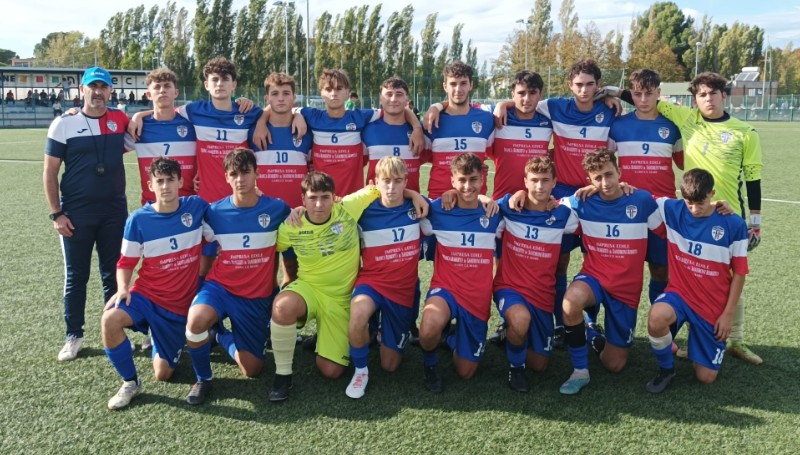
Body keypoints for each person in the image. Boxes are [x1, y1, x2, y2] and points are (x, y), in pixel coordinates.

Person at [601, 71, 764, 365]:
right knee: (692, 273)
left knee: (727, 275)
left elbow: (753, 177)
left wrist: (755, 222)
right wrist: (609, 91)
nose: (708, 99)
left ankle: (736, 339)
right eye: (702, 95)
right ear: (695, 99)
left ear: (723, 96)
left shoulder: (745, 132)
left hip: (726, 210)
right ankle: (686, 334)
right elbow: (645, 99)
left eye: (713, 94)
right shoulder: (687, 119)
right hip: (692, 209)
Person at [267, 171, 427, 402]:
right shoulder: (292, 225)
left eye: (325, 197)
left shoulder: (349, 207)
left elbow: (381, 188)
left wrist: (414, 195)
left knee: (332, 371)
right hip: (309, 289)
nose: (319, 204)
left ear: (335, 197)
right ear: (303, 199)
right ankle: (282, 375)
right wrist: (286, 278)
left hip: (340, 301)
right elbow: (272, 248)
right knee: (282, 306)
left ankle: (325, 337)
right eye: (312, 198)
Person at [184, 148, 290, 405]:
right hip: (220, 288)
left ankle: (220, 335)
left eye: (245, 172)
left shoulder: (277, 209)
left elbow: (292, 244)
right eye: (234, 174)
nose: (240, 179)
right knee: (195, 321)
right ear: (226, 178)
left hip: (256, 298)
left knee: (252, 369)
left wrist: (287, 281)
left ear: (257, 174)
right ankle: (203, 378)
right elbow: (201, 246)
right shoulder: (214, 212)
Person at [101, 158, 208, 409]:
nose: (165, 186)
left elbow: (227, 210)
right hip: (147, 296)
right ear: (150, 185)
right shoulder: (138, 220)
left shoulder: (196, 207)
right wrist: (123, 288)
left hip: (179, 308)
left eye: (171, 180)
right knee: (109, 320)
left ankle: (162, 337)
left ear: (180, 182)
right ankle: (130, 382)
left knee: (163, 374)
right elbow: (125, 262)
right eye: (159, 181)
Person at [44, 66, 131, 361]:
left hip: (114, 211)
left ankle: (115, 333)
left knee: (113, 275)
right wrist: (57, 214)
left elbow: (148, 125)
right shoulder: (63, 123)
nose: (98, 92)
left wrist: (141, 115)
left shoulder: (120, 120)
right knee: (76, 276)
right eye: (92, 86)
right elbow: (50, 171)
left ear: (110, 91)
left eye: (103, 87)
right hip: (76, 213)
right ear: (82, 90)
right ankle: (74, 335)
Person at [558, 149, 661, 395]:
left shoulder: (642, 201)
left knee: (615, 365)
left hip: (626, 289)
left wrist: (715, 206)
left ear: (619, 172)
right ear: (589, 181)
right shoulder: (580, 202)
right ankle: (580, 371)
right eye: (597, 178)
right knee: (570, 302)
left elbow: (680, 214)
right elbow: (542, 204)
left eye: (609, 174)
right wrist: (518, 194)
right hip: (594, 277)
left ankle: (594, 336)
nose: (605, 182)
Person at [645, 169, 748, 393]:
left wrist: (728, 314)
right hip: (680, 294)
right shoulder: (672, 209)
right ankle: (666, 369)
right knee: (656, 317)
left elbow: (740, 273)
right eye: (689, 203)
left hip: (712, 304)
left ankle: (697, 336)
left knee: (706, 377)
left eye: (700, 202)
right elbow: (641, 197)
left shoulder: (734, 224)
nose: (694, 209)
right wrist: (620, 187)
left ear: (712, 193)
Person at [418, 153, 502, 393]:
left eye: (473, 179)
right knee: (428, 327)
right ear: (452, 181)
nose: (467, 186)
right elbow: (403, 198)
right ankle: (430, 365)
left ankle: (450, 337)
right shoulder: (437, 209)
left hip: (476, 297)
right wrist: (414, 194)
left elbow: (526, 201)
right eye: (462, 180)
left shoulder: (495, 213)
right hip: (446, 288)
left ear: (483, 179)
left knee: (466, 372)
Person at [493, 157, 578, 392]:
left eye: (545, 180)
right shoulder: (509, 208)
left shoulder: (563, 214)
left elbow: (593, 204)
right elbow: (480, 204)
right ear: (525, 182)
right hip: (509, 288)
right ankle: (515, 368)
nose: (539, 186)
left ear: (554, 183)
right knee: (521, 319)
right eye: (534, 180)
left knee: (539, 365)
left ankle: (513, 334)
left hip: (542, 295)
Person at [346, 156, 422, 399]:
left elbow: (457, 203)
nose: (391, 187)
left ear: (406, 182)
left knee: (390, 365)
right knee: (357, 315)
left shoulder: (419, 208)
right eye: (386, 181)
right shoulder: (362, 210)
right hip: (372, 282)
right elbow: (329, 209)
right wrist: (300, 210)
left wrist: (415, 195)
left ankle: (381, 330)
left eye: (397, 181)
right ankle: (360, 371)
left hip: (402, 290)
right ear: (375, 182)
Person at [279, 69, 422, 197]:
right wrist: (296, 115)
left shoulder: (359, 117)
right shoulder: (313, 116)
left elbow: (395, 109)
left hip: (353, 200)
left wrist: (417, 127)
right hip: (321, 198)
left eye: (339, 88)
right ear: (321, 93)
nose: (333, 93)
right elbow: (284, 109)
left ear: (347, 92)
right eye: (328, 89)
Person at [606, 69, 683, 306]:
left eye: (649, 94)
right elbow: (605, 163)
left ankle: (658, 320)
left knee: (660, 269)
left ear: (659, 93)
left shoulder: (673, 126)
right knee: (622, 269)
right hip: (626, 206)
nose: (643, 100)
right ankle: (602, 321)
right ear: (631, 94)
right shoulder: (618, 126)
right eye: (637, 94)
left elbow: (685, 164)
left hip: (662, 208)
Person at [423, 61, 495, 199]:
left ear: (471, 85)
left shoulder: (487, 119)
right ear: (445, 86)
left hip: (474, 198)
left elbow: (514, 105)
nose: (458, 89)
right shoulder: (432, 120)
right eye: (453, 84)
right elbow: (420, 158)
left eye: (463, 83)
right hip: (439, 198)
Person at [133, 68, 197, 206]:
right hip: (153, 206)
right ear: (148, 95)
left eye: (167, 86)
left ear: (176, 92)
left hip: (189, 204)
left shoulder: (192, 124)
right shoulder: (138, 127)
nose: (162, 90)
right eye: (157, 87)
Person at [255, 72, 312, 209]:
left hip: (299, 212)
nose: (280, 99)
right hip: (263, 212)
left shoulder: (307, 131)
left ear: (294, 97)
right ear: (267, 98)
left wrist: (297, 114)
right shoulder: (255, 132)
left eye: (286, 93)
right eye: (275, 94)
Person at [363, 77, 423, 192]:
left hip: (411, 201)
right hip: (375, 201)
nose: (393, 99)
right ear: (380, 99)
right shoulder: (367, 130)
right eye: (388, 94)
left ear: (407, 99)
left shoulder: (419, 132)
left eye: (399, 94)